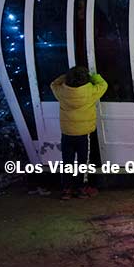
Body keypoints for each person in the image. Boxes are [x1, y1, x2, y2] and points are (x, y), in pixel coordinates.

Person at [50, 66, 107, 200]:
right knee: (83, 162)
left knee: (67, 162)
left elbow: (53, 84)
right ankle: (81, 188)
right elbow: (103, 84)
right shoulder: (91, 91)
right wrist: (92, 76)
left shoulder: (62, 92)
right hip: (83, 134)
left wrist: (65, 76)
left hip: (67, 133)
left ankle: (66, 190)